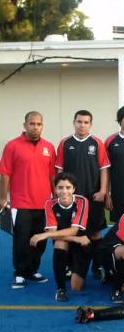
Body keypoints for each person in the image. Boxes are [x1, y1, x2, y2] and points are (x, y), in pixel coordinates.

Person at [0, 111, 56, 289]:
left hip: (44, 204)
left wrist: (55, 197)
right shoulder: (12, 146)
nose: (35, 127)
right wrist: (3, 197)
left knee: (39, 240)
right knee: (21, 240)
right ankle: (20, 272)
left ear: (42, 126)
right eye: (32, 123)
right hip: (21, 203)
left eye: (39, 124)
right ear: (25, 125)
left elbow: (52, 175)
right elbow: (5, 174)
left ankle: (32, 270)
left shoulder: (49, 147)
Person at [55, 110, 110, 278]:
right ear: (74, 122)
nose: (82, 125)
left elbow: (104, 169)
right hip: (70, 199)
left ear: (90, 125)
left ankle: (98, 266)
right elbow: (59, 170)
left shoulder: (97, 143)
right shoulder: (65, 143)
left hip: (93, 197)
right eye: (79, 122)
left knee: (94, 233)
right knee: (71, 232)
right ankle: (69, 267)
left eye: (86, 122)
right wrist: (59, 193)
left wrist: (103, 191)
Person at [30, 173, 90, 302]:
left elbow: (74, 231)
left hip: (81, 245)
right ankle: (61, 289)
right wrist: (76, 238)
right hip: (72, 241)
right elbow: (54, 233)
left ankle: (73, 267)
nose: (64, 191)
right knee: (59, 243)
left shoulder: (82, 201)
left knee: (76, 287)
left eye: (68, 187)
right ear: (55, 189)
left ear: (74, 189)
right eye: (60, 188)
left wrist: (44, 234)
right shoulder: (49, 204)